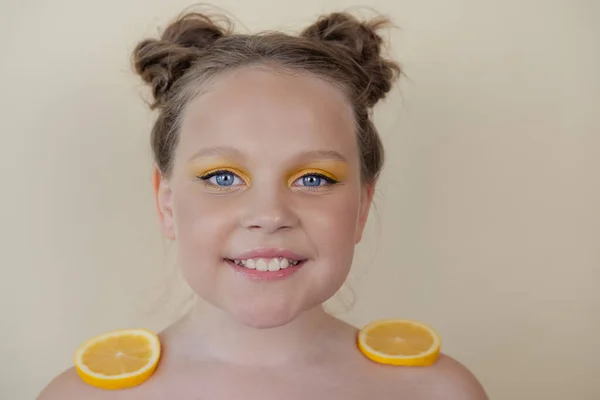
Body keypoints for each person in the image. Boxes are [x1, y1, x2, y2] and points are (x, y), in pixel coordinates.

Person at [39, 9, 488, 399]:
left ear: (362, 207)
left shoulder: (441, 392)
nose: (269, 214)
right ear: (167, 203)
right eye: (222, 177)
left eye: (314, 178)